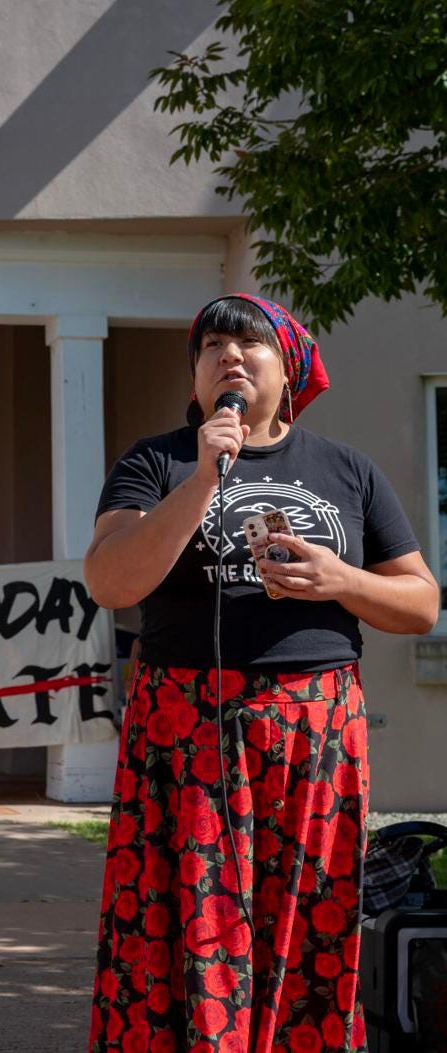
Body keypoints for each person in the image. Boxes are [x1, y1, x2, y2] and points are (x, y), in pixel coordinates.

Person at [83, 294, 439, 1052]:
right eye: (212, 345)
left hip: (315, 734)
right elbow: (111, 580)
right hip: (185, 729)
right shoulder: (158, 461)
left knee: (308, 915)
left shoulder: (349, 471)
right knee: (190, 926)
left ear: (291, 366)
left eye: (250, 344)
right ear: (197, 376)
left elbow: (420, 603)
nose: (229, 357)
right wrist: (205, 479)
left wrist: (342, 580)